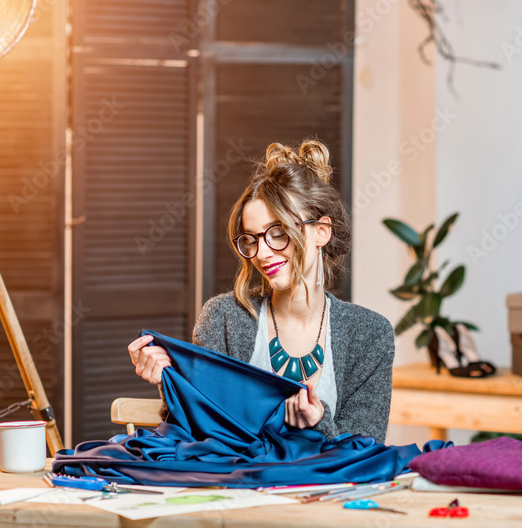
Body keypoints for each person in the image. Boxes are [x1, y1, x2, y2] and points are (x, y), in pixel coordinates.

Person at [128, 139, 395, 443]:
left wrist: (318, 423)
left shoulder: (370, 334)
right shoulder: (224, 317)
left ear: (321, 231)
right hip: (238, 488)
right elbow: (199, 434)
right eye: (251, 240)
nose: (262, 253)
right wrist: (169, 381)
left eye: (278, 234)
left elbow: (364, 454)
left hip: (324, 490)